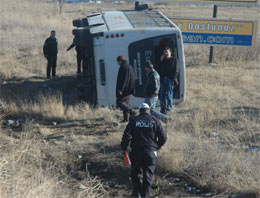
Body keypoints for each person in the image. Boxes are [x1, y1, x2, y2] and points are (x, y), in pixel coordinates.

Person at [121, 103, 167, 198]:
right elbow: (164, 137)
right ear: (149, 110)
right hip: (150, 153)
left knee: (135, 174)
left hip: (136, 152)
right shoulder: (155, 121)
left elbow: (126, 136)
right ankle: (145, 196)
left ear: (140, 111)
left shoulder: (134, 120)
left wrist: (124, 148)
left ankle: (137, 194)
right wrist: (158, 146)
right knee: (148, 177)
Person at [158, 47, 179, 114]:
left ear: (170, 52)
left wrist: (172, 79)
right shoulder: (163, 60)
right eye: (165, 52)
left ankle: (169, 109)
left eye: (167, 52)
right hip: (163, 79)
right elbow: (158, 69)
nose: (166, 53)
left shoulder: (174, 59)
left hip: (170, 79)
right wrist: (160, 60)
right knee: (162, 95)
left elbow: (176, 70)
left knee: (169, 95)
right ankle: (163, 109)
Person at [116, 55, 136, 122]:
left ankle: (132, 111)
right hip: (129, 89)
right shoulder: (130, 66)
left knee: (119, 102)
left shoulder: (123, 67)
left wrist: (120, 89)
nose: (118, 64)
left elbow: (123, 80)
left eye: (118, 62)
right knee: (125, 103)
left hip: (124, 90)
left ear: (120, 61)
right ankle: (126, 119)